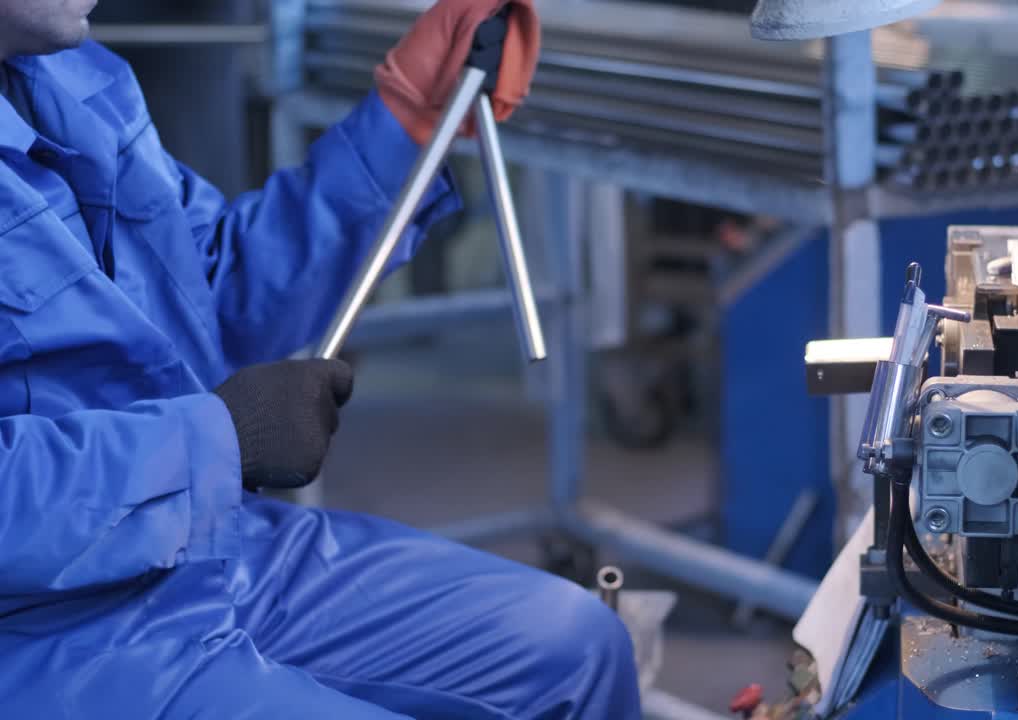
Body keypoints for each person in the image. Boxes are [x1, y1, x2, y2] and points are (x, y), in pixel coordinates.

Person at [0, 0, 641, 717]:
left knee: (578, 644)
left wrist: (406, 122)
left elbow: (216, 286)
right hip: (42, 632)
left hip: (206, 549)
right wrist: (216, 443)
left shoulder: (78, 82)